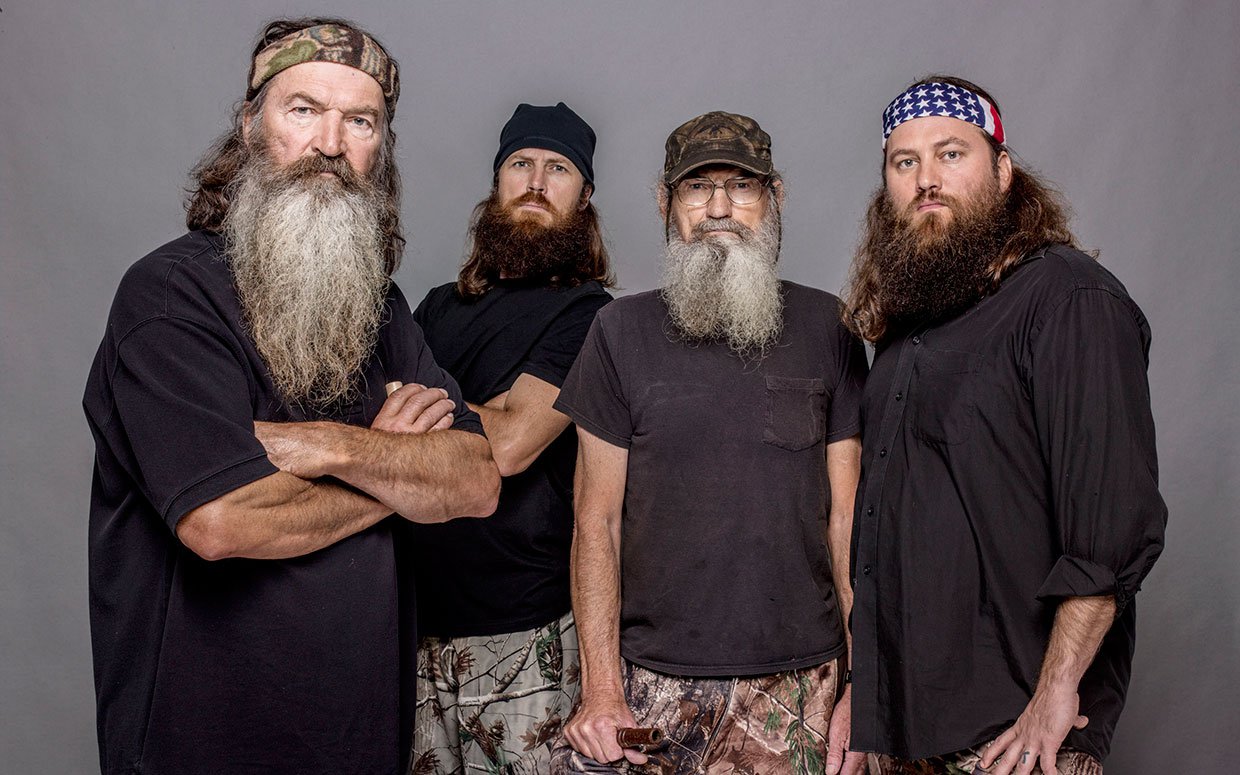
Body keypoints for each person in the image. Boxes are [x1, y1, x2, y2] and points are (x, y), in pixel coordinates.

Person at [82, 18, 499, 775]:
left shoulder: (381, 308)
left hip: (359, 741)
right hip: (199, 746)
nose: (330, 144)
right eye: (303, 110)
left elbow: (476, 480)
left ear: (380, 149)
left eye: (360, 121)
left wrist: (331, 445)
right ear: (251, 126)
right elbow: (222, 520)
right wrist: (395, 471)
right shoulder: (169, 297)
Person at [841, 75, 1167, 775]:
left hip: (1018, 733)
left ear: (1004, 170)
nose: (927, 179)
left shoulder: (1069, 299)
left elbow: (1108, 531)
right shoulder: (905, 332)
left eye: (951, 153)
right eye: (905, 162)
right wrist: (867, 698)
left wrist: (1055, 693)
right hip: (906, 729)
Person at [549, 111, 870, 774]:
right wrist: (602, 688)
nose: (719, 208)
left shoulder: (829, 326)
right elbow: (595, 521)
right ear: (665, 203)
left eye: (741, 186)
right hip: (652, 683)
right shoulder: (618, 332)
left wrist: (863, 683)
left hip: (804, 687)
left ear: (774, 197)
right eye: (697, 187)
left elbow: (848, 519)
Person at [408, 102, 615, 774]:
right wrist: (484, 409)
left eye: (558, 169)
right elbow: (374, 425)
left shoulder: (590, 317)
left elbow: (509, 446)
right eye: (521, 163)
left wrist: (421, 406)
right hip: (416, 629)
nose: (536, 182)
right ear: (497, 182)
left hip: (526, 635)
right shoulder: (436, 307)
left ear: (584, 196)